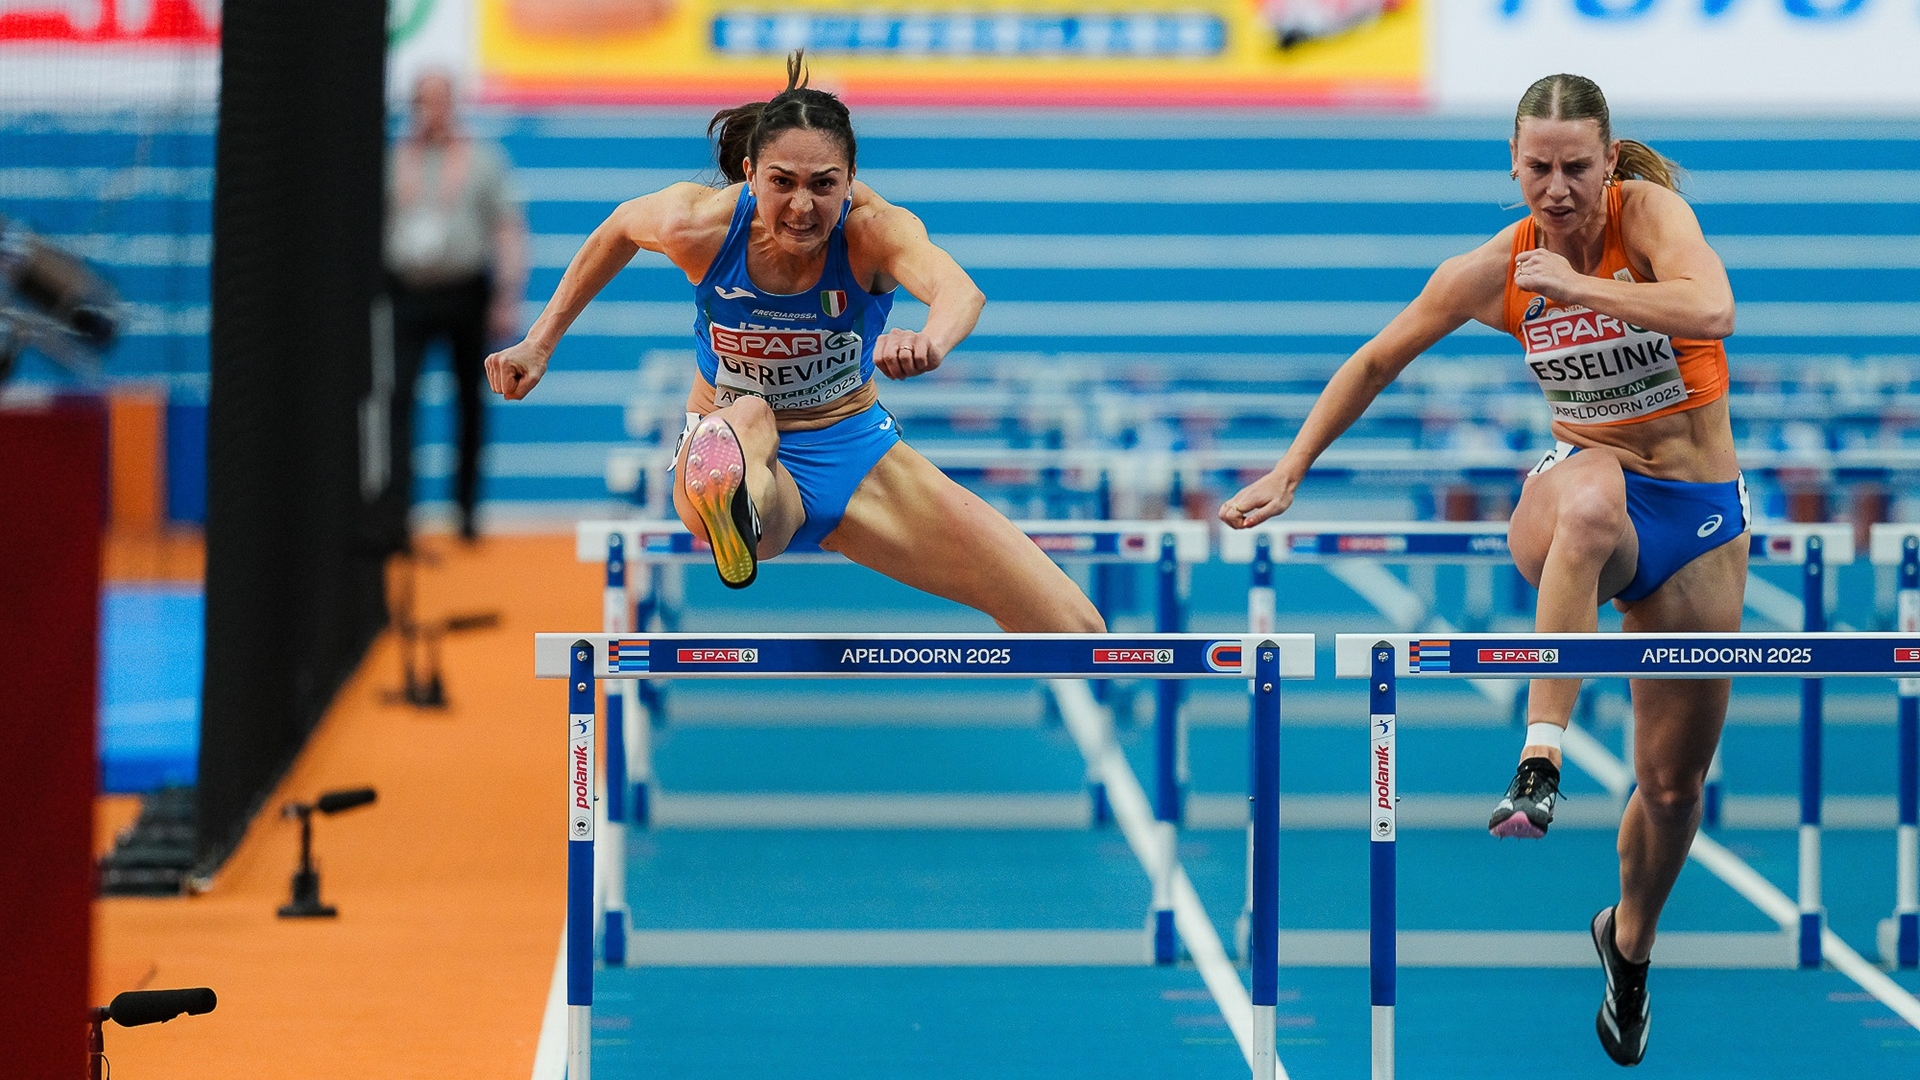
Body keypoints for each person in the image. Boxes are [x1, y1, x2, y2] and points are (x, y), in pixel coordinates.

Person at [1219, 73, 1742, 1067]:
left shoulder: (1653, 216)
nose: (1555, 188)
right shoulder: (1497, 265)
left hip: (1697, 513)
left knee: (1672, 789)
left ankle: (1629, 939)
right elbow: (1378, 358)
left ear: (1608, 160)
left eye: (1575, 167)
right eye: (1536, 168)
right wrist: (1293, 465)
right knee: (1590, 495)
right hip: (1576, 492)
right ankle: (1540, 758)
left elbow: (1713, 308)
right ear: (1512, 164)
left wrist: (1584, 288)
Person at [484, 53, 1101, 634]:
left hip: (854, 453)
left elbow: (959, 292)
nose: (802, 207)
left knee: (1078, 627)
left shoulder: (874, 233)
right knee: (749, 414)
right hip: (735, 452)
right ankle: (735, 500)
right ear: (750, 174)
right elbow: (618, 228)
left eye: (823, 185)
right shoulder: (697, 225)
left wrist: (930, 341)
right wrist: (539, 342)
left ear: (851, 180)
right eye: (782, 182)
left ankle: (743, 498)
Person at [385, 70, 528, 543]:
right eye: (424, 101)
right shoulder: (393, 161)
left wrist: (507, 295)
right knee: (398, 402)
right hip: (407, 293)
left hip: (466, 292)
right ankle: (397, 514)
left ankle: (466, 513)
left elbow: (507, 228)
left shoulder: (482, 160)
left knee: (470, 403)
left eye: (441, 101)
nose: (434, 111)